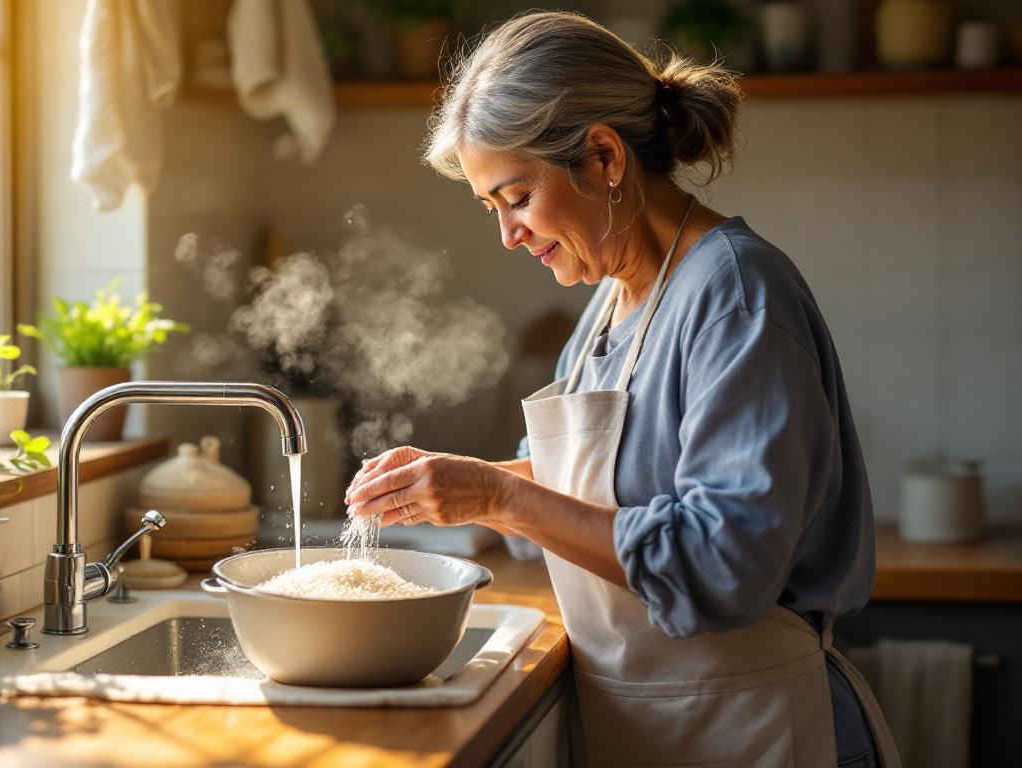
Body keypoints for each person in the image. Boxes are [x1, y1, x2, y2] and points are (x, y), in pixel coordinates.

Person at [343, 12, 899, 768]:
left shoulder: (735, 294)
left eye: (516, 197)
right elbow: (585, 487)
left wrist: (497, 497)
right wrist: (451, 483)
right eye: (490, 208)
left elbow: (721, 568)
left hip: (761, 726)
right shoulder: (613, 301)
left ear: (604, 157)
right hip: (653, 729)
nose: (507, 234)